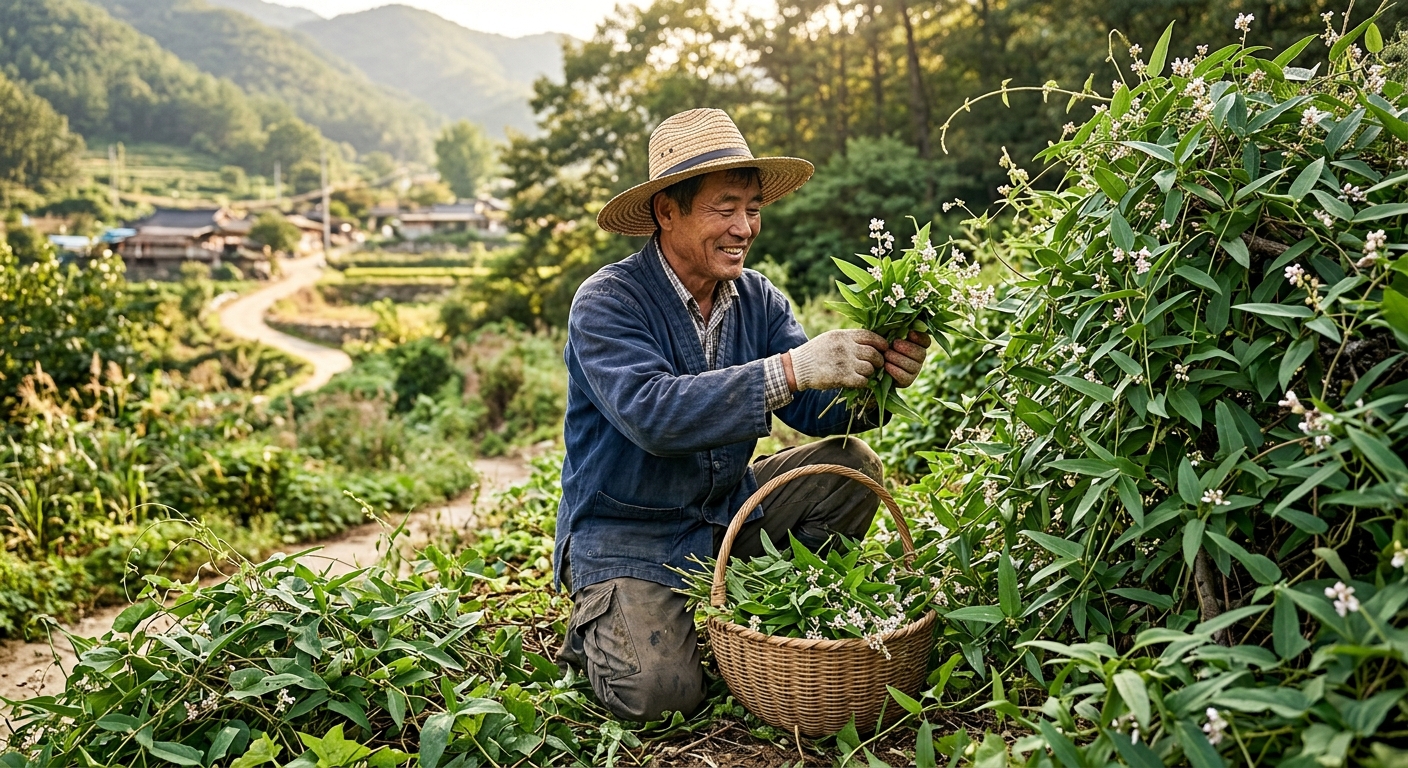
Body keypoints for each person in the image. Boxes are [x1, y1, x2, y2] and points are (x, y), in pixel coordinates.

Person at [553, 108, 930, 722]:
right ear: (666, 212)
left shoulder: (757, 297)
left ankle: (753, 613)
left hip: (725, 511)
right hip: (628, 533)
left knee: (847, 469)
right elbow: (653, 415)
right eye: (724, 208)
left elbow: (814, 407)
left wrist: (875, 376)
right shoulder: (607, 302)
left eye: (752, 207)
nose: (745, 227)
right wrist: (790, 369)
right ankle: (600, 625)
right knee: (660, 696)